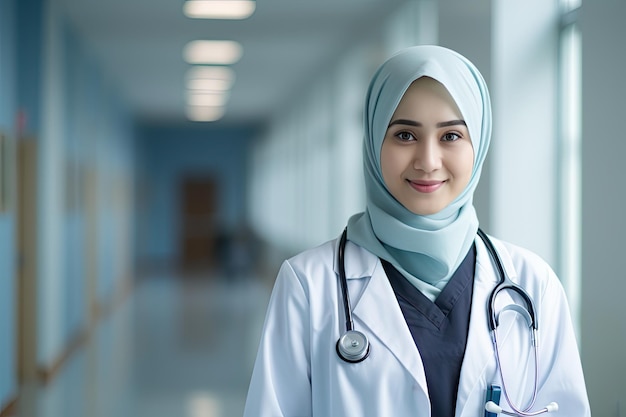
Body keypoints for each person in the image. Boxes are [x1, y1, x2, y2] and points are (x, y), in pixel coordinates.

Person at [243, 45, 590, 417]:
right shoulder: (309, 285)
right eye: (405, 135)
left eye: (451, 136)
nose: (427, 161)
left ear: (479, 142)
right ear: (375, 141)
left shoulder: (533, 285)